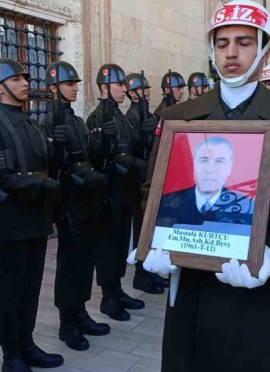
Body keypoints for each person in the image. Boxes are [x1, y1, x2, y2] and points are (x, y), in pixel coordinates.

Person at [131, 0, 270, 371]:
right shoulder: (179, 117)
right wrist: (159, 239)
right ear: (211, 51)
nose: (232, 53)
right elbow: (154, 189)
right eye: (222, 44)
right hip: (193, 287)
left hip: (261, 289)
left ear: (265, 50)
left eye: (244, 42)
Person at [0, 58, 64, 371]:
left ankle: (26, 343)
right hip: (12, 220)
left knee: (30, 287)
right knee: (11, 289)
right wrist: (42, 186)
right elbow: (1, 177)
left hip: (36, 217)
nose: (24, 83)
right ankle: (10, 353)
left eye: (24, 78)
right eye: (16, 79)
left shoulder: (30, 122)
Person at [40, 61, 112, 351]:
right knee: (69, 265)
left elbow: (88, 155)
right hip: (69, 201)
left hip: (87, 199)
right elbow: (48, 164)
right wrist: (52, 146)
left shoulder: (77, 120)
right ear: (53, 88)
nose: (75, 88)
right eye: (69, 84)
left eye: (75, 83)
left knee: (84, 261)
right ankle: (66, 322)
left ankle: (80, 312)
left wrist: (101, 137)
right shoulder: (48, 123)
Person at [87, 64, 148, 321]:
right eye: (119, 85)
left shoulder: (122, 116)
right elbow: (94, 157)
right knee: (108, 248)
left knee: (122, 245)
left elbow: (132, 149)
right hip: (108, 195)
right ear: (104, 88)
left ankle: (118, 289)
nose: (125, 89)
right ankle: (108, 297)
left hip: (125, 194)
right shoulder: (97, 118)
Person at [124, 73, 166, 295]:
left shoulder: (145, 114)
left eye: (148, 88)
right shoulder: (131, 118)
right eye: (143, 89)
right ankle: (142, 273)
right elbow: (132, 152)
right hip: (139, 181)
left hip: (149, 178)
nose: (147, 91)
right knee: (141, 228)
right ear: (132, 94)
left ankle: (149, 271)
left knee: (150, 229)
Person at [157, 137, 254, 230]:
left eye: (219, 161)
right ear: (194, 164)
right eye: (204, 160)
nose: (210, 169)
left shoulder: (247, 207)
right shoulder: (166, 202)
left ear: (229, 167)